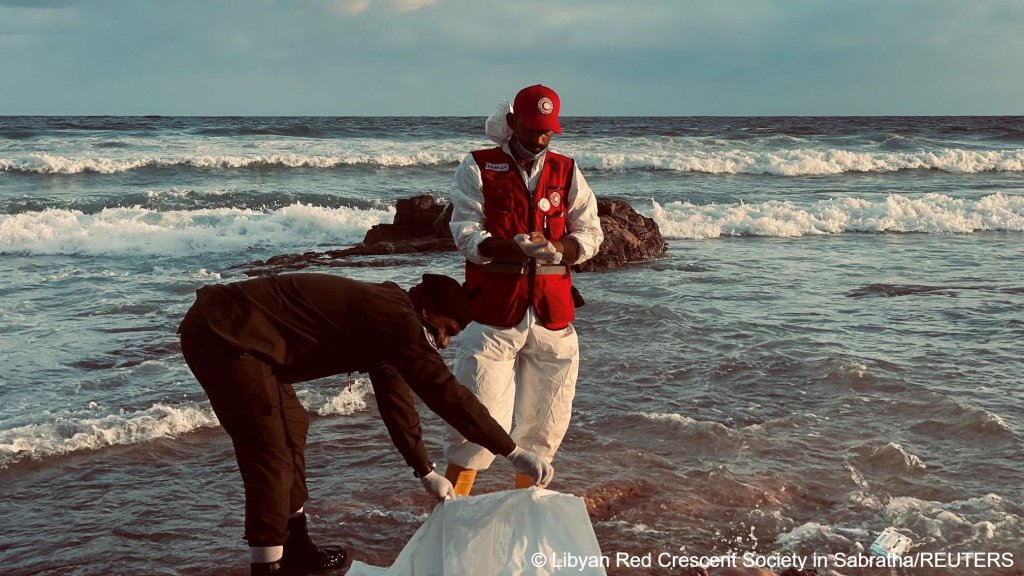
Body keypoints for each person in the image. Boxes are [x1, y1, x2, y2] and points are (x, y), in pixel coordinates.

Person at [177, 272, 554, 576]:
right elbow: (445, 394)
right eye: (447, 329)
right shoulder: (395, 320)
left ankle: (295, 547)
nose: (442, 342)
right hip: (223, 333)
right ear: (428, 309)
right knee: (269, 450)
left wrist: (425, 471)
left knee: (293, 426)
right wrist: (512, 450)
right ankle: (267, 566)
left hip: (254, 341)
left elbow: (398, 404)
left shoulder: (392, 320)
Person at [443, 84, 604, 495]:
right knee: (475, 421)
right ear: (513, 123)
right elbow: (464, 233)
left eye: (547, 131)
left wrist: (560, 248)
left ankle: (527, 510)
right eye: (531, 129)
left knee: (546, 426)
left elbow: (590, 234)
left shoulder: (567, 171)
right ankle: (450, 513)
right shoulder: (478, 166)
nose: (539, 138)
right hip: (493, 315)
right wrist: (508, 247)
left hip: (553, 316)